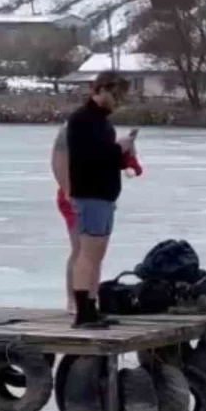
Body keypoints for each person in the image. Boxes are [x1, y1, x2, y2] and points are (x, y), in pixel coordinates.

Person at [66, 71, 136, 329]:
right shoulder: (82, 119)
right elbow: (91, 156)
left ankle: (91, 307)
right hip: (90, 194)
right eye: (116, 95)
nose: (118, 101)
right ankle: (82, 311)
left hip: (104, 195)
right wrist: (119, 147)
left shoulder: (103, 123)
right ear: (102, 90)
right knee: (88, 253)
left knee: (97, 255)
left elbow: (106, 159)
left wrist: (124, 154)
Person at [51, 123, 80, 311]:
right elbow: (57, 163)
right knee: (79, 249)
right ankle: (72, 299)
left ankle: (86, 297)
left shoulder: (99, 126)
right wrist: (69, 192)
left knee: (91, 252)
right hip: (73, 197)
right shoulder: (69, 129)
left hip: (93, 197)